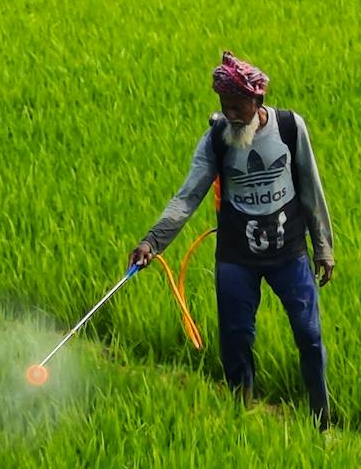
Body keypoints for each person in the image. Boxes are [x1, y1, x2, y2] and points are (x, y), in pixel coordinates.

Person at [129, 51, 336, 430]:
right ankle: (241, 415)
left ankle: (322, 421)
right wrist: (152, 242)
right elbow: (187, 196)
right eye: (225, 107)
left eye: (238, 107)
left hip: (288, 252)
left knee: (309, 335)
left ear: (257, 101)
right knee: (236, 341)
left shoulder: (290, 128)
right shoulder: (217, 139)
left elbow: (311, 187)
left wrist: (323, 247)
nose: (232, 115)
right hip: (236, 256)